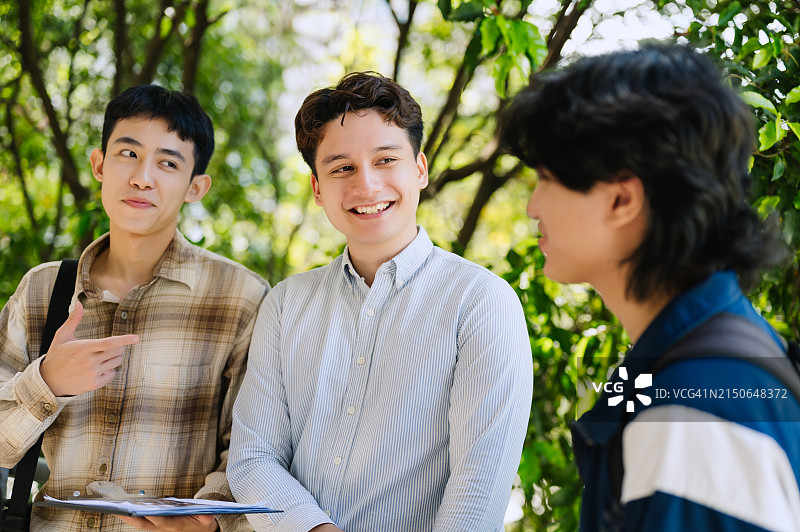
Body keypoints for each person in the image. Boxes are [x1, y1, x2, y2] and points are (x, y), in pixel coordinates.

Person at [500, 43, 800, 531]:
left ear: (622, 199)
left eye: (547, 178)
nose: (533, 206)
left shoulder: (695, 417)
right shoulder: (701, 361)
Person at [227, 72, 533, 532]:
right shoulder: (287, 304)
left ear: (420, 169)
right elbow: (253, 459)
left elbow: (477, 492)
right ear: (316, 188)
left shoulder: (482, 303)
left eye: (386, 159)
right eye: (341, 168)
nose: (366, 186)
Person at [0, 85, 269, 532]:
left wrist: (209, 518)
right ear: (99, 165)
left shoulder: (240, 298)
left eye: (168, 163)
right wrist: (47, 382)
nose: (143, 177)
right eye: (128, 154)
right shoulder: (43, 290)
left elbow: (254, 451)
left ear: (195, 187)